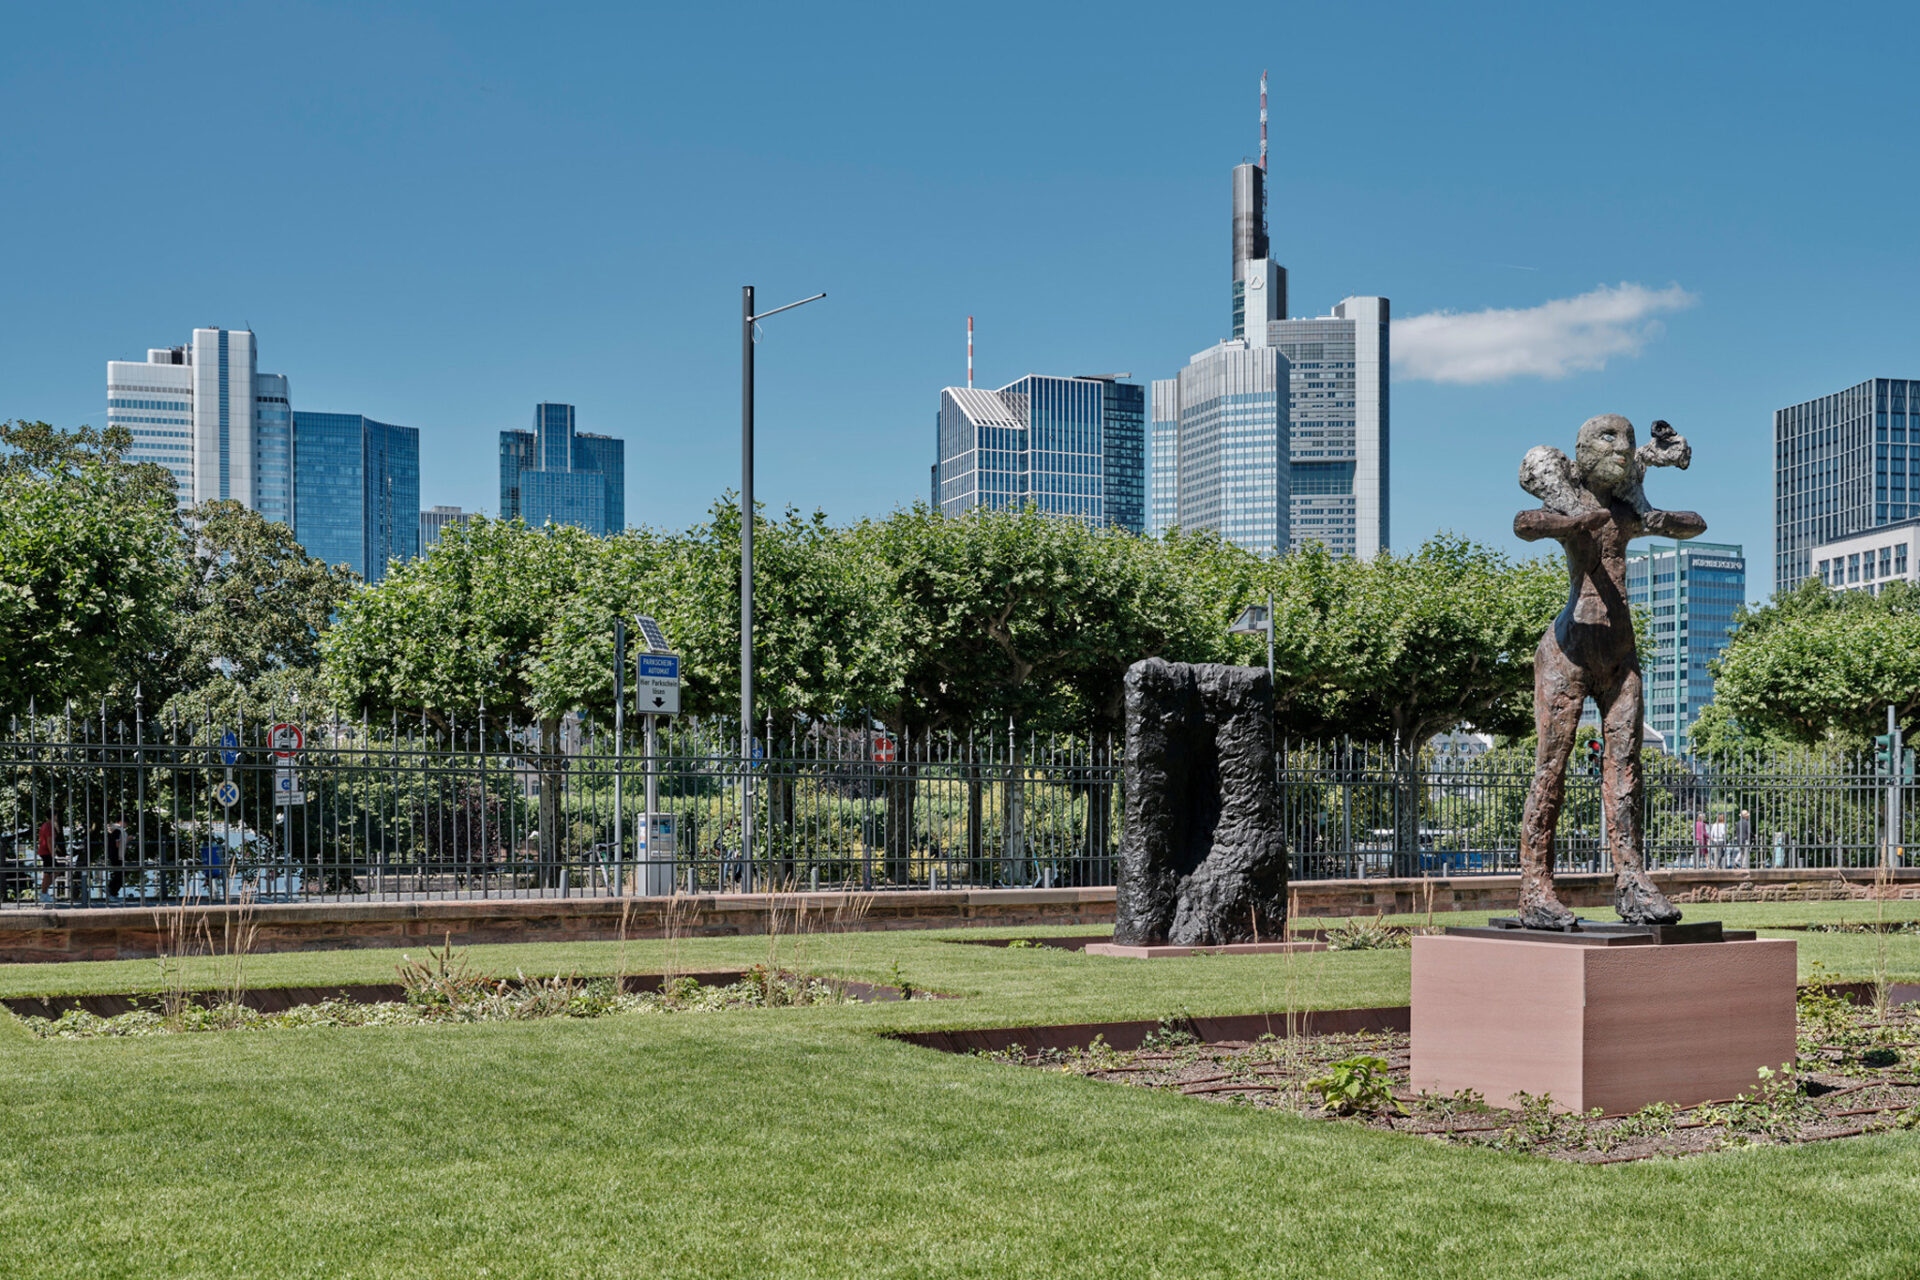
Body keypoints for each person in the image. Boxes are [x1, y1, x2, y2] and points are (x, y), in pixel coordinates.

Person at [1511, 415, 1706, 927]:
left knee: (1626, 773)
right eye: (1608, 438)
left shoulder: (1626, 511)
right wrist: (1575, 524)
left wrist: (1659, 519)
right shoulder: (1571, 505)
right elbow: (1525, 524)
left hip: (1620, 659)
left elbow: (1695, 523)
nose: (1622, 447)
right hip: (1567, 655)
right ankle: (1535, 888)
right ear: (1582, 451)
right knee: (1550, 770)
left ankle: (1632, 884)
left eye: (1627, 439)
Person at [36, 807, 62, 903]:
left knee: (48, 873)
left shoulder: (46, 825)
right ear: (54, 816)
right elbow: (49, 841)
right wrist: (53, 854)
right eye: (56, 815)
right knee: (55, 871)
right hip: (47, 852)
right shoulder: (48, 826)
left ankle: (44, 892)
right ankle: (43, 893)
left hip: (44, 852)